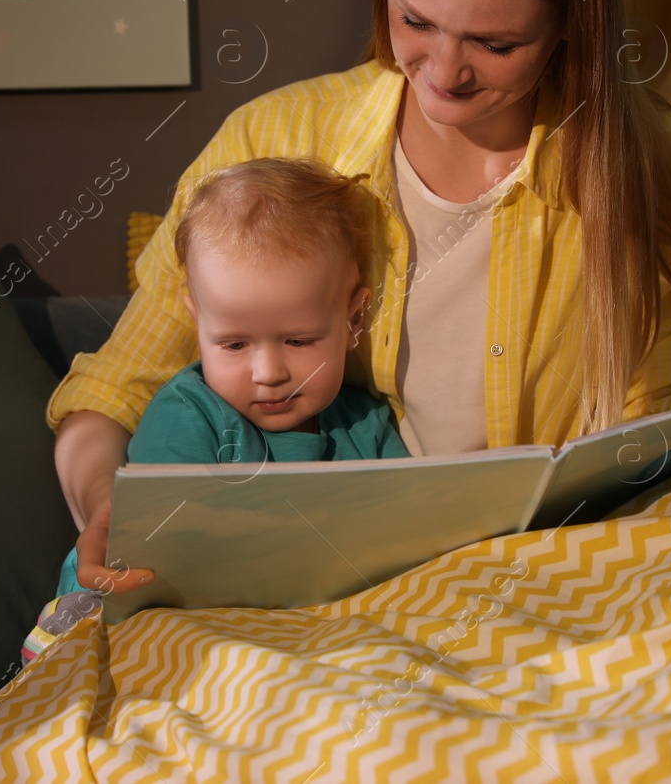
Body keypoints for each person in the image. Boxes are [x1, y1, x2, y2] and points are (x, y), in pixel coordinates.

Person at [47, 0, 671, 596]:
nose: (443, 72)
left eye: (495, 44)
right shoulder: (273, 137)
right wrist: (106, 499)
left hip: (555, 582)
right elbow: (114, 389)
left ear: (568, 26)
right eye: (415, 21)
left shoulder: (640, 156)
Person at [23, 158, 409, 658]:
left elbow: (403, 550)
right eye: (232, 345)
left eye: (298, 339)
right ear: (196, 320)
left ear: (354, 318)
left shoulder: (368, 425)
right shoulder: (188, 415)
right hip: (145, 622)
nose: (268, 372)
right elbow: (169, 572)